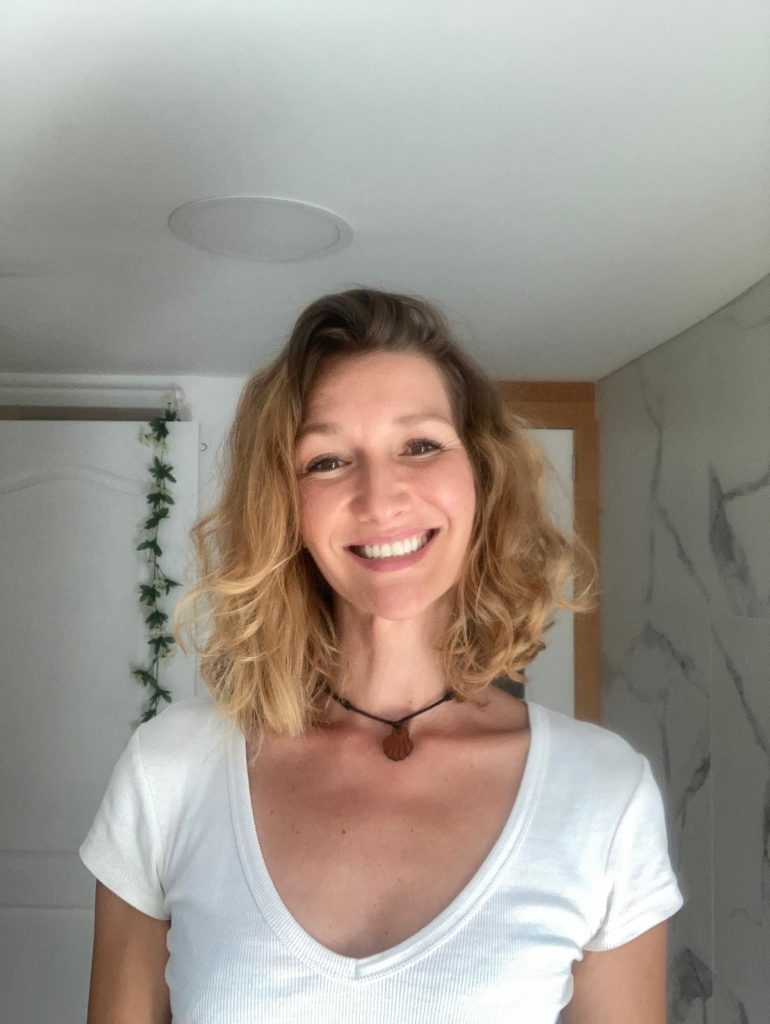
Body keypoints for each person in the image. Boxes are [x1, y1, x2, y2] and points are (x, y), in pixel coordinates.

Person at [80, 288, 684, 1023]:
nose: (379, 499)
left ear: (482, 474)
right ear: (284, 505)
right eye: (328, 460)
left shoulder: (603, 796)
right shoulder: (168, 773)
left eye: (420, 445)